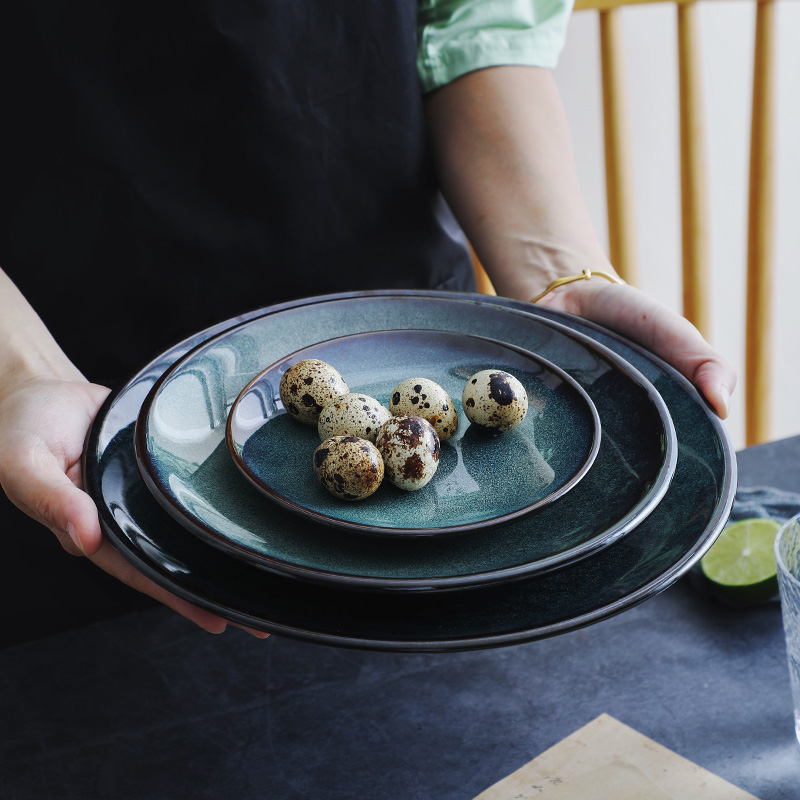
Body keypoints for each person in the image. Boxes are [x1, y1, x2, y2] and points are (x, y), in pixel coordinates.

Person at [0, 1, 735, 641]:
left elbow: (473, 24)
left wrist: (558, 276)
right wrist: (19, 374)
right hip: (81, 414)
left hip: (425, 388)